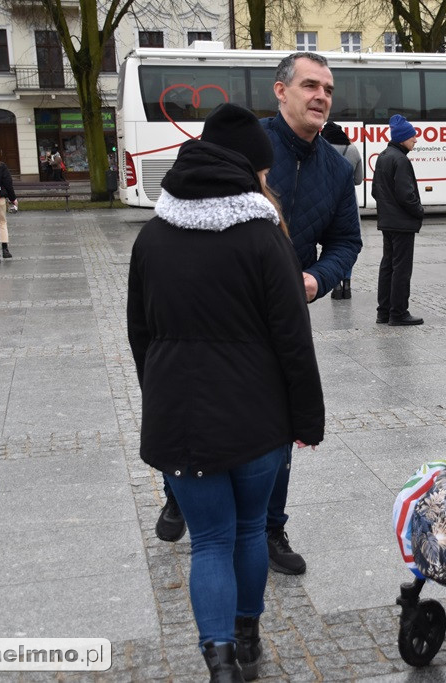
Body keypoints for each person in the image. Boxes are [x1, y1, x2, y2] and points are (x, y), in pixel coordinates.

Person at [127, 103, 325, 681]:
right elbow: (294, 340)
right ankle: (248, 637)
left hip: (179, 421)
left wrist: (160, 395)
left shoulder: (152, 238)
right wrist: (306, 420)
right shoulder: (265, 239)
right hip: (256, 420)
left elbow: (140, 335)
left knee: (208, 541)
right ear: (253, 172)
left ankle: (218, 663)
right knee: (245, 531)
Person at [153, 52, 363, 579]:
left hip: (280, 313)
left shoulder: (338, 167)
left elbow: (346, 241)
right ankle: (179, 489)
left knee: (279, 421)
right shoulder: (244, 142)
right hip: (212, 302)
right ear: (281, 91)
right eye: (311, 85)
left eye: (329, 90)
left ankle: (270, 526)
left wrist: (317, 278)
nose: (321, 97)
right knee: (191, 398)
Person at [373, 113, 425, 326]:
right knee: (401, 269)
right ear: (403, 137)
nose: (415, 139)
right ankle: (398, 313)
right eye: (412, 136)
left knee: (388, 266)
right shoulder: (400, 160)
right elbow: (406, 195)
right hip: (402, 223)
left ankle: (383, 312)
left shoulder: (384, 156)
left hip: (387, 221)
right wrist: (419, 210)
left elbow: (376, 191)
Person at [320, 120, 363, 300]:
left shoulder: (321, 148)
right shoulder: (352, 150)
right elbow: (358, 180)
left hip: (325, 200)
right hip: (348, 201)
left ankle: (335, 286)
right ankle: (347, 284)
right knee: (346, 242)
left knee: (330, 244)